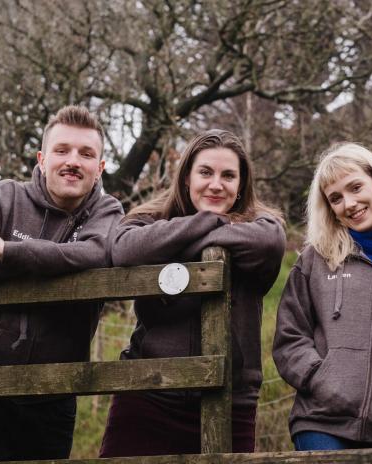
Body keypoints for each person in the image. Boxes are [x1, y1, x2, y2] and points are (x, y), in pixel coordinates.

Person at [0, 105, 124, 461]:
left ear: (99, 167)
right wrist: (55, 262)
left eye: (86, 154)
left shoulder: (106, 212)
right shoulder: (3, 197)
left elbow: (95, 255)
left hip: (55, 394)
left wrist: (7, 251)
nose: (73, 161)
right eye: (62, 150)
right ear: (42, 158)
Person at [99, 129, 285, 456]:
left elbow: (270, 243)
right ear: (186, 177)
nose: (216, 184)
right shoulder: (149, 218)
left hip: (231, 402)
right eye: (205, 172)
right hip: (147, 394)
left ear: (241, 184)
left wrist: (177, 243)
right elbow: (124, 250)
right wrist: (209, 224)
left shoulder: (262, 226)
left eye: (228, 175)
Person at [272, 142, 372, 450]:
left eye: (356, 187)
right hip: (321, 421)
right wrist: (320, 378)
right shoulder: (315, 261)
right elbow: (290, 336)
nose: (349, 203)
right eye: (336, 199)